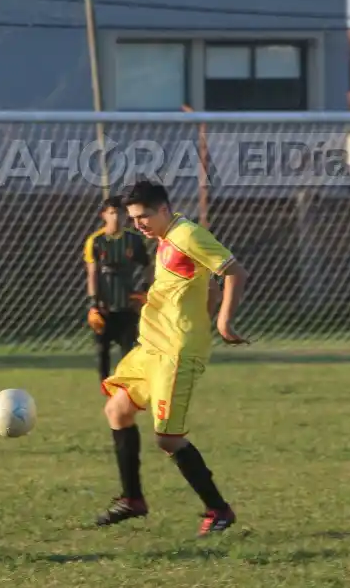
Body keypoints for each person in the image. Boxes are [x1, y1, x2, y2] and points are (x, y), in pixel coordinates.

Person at [95, 180, 249, 537]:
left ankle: (219, 510)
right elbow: (207, 285)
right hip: (151, 347)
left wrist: (222, 322)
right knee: (117, 410)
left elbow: (234, 272)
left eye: (144, 216)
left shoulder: (188, 235)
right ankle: (132, 499)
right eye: (134, 218)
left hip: (176, 353)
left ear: (165, 209)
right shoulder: (166, 237)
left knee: (167, 438)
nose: (138, 224)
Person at [84, 197, 152, 382]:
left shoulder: (133, 240)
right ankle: (104, 383)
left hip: (128, 301)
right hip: (104, 303)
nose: (116, 217)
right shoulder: (95, 241)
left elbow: (147, 266)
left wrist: (145, 290)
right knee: (102, 348)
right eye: (112, 213)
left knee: (128, 348)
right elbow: (92, 272)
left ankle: (126, 384)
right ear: (103, 215)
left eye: (120, 213)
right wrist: (93, 303)